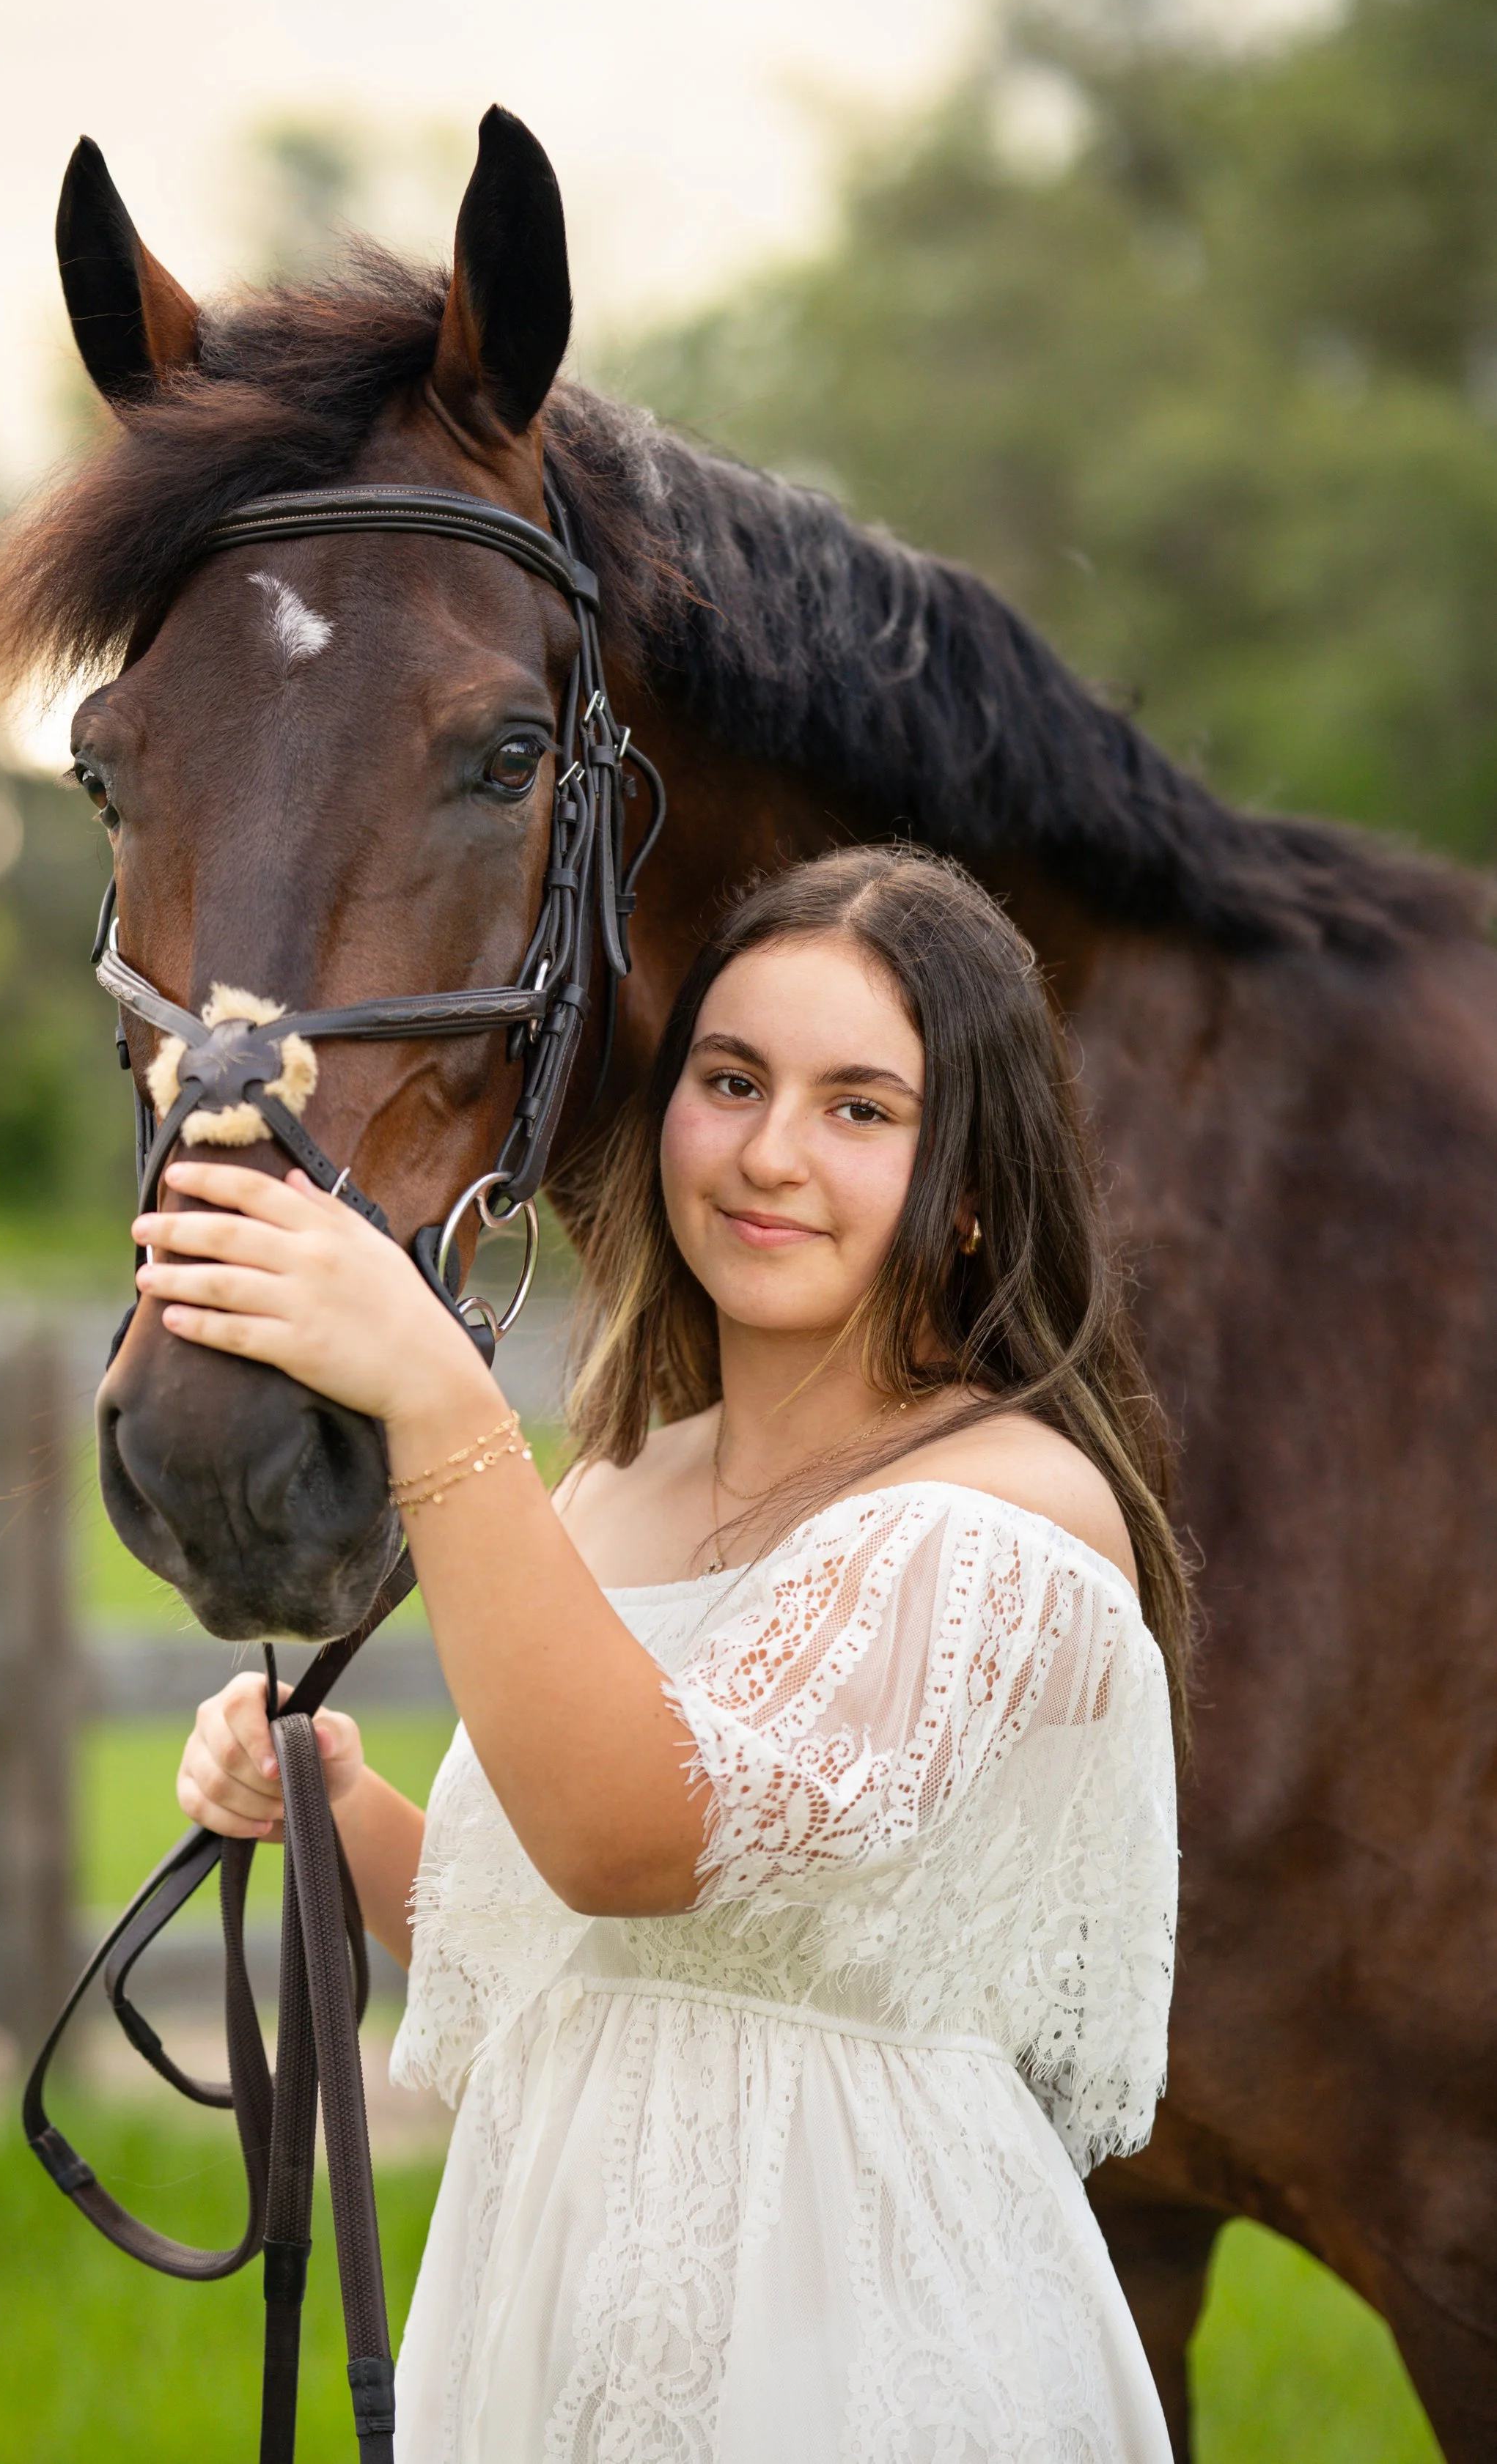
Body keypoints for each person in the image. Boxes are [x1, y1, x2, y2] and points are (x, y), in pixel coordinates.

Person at [139, 844, 1188, 2464]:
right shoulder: (617, 1483)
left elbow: (641, 1842)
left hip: (853, 2319)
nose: (769, 1154)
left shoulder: (1008, 1509)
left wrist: (435, 1397)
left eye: (860, 1108)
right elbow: (574, 1942)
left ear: (971, 1183)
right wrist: (331, 1799)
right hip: (549, 2285)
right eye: (729, 1079)